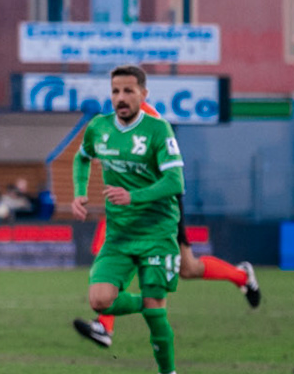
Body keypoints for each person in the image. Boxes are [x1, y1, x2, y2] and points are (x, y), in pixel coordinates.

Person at [74, 101, 260, 352]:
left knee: (184, 267)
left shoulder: (146, 116)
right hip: (132, 203)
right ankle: (105, 326)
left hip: (159, 203)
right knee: (179, 265)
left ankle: (242, 276)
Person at [66, 64, 187, 374]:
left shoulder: (158, 131)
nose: (121, 98)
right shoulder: (99, 128)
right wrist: (79, 192)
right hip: (119, 236)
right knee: (100, 299)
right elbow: (82, 158)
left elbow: (176, 181)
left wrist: (134, 196)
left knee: (154, 312)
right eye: (116, 91)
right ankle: (150, 305)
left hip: (157, 233)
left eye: (129, 91)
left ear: (143, 95)